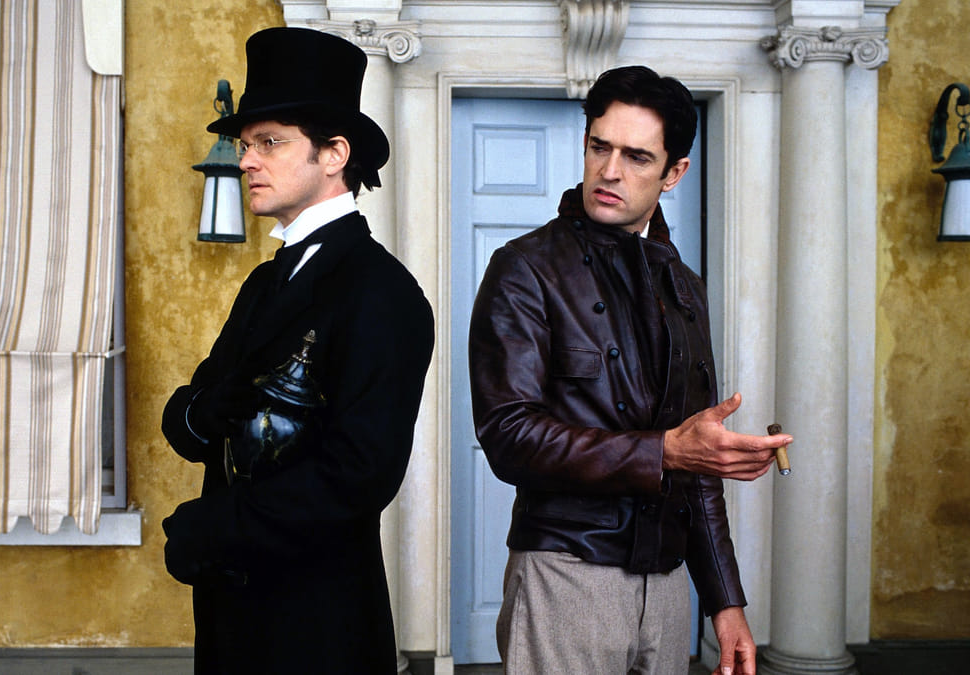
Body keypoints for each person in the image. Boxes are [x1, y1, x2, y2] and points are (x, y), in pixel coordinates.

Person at [468, 65, 792, 675]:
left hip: (667, 586)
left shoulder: (685, 287)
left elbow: (697, 463)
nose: (610, 171)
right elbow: (508, 437)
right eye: (600, 147)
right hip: (565, 575)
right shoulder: (524, 269)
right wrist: (664, 451)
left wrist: (725, 603)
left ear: (675, 172)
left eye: (637, 157)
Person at [160, 27, 435, 675]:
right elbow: (187, 421)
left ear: (334, 153)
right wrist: (204, 412)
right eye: (245, 144)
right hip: (233, 618)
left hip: (318, 623)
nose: (246, 161)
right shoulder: (265, 282)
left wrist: (218, 526)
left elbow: (359, 475)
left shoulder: (383, 292)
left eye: (270, 142)